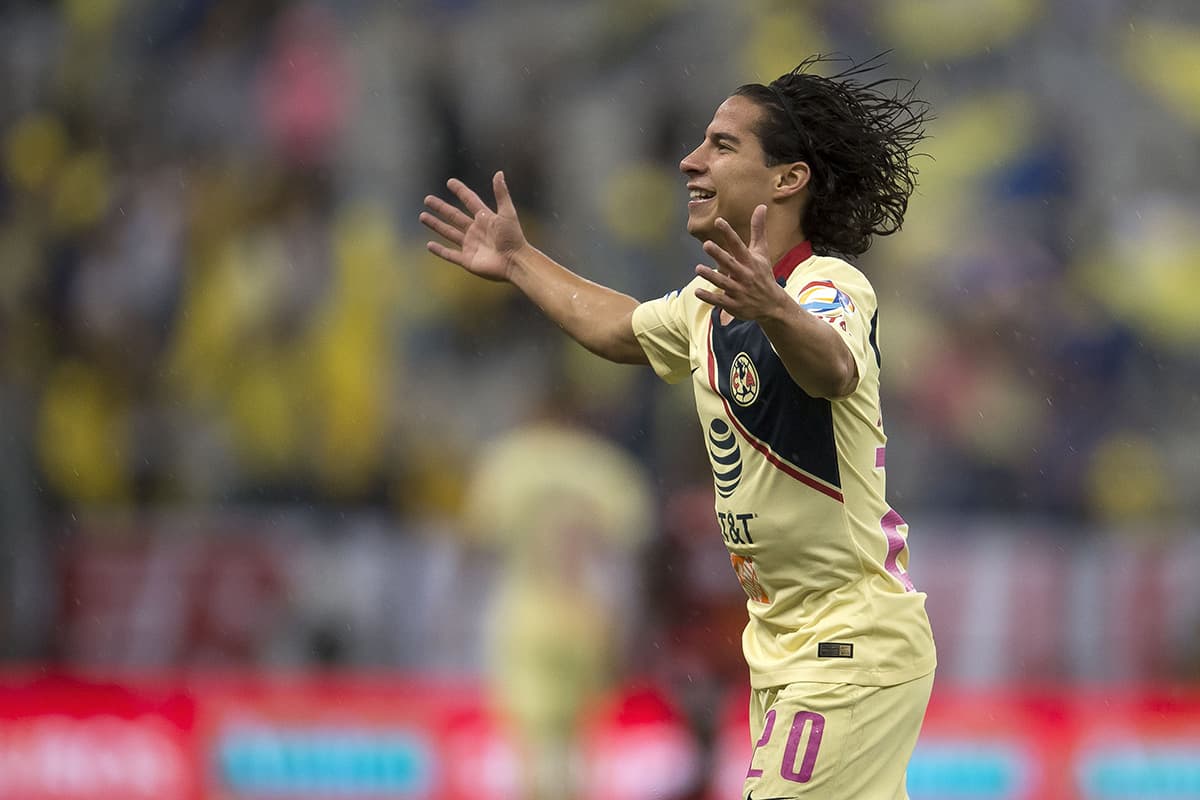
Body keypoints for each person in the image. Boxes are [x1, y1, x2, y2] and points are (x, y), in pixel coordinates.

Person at [421, 54, 937, 799]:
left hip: (848, 642)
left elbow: (833, 368)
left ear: (787, 179)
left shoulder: (827, 286)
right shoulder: (707, 305)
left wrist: (777, 309)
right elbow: (620, 330)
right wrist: (521, 261)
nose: (692, 161)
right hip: (790, 643)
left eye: (723, 146)